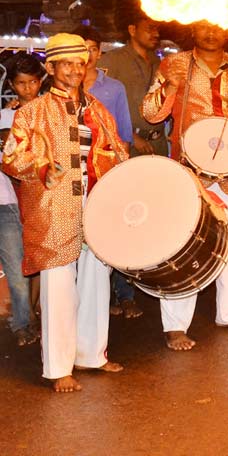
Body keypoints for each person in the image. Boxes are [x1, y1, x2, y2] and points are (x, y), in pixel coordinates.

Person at [2, 34, 127, 391]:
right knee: (58, 287)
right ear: (51, 68)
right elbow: (11, 157)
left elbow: (117, 152)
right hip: (53, 207)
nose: (75, 69)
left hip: (95, 203)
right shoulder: (31, 113)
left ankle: (91, 354)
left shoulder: (98, 111)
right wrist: (43, 167)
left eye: (80, 62)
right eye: (67, 63)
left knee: (96, 280)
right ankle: (58, 368)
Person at [142, 21, 228, 351]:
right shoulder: (174, 63)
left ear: (227, 32)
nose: (211, 33)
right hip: (189, 170)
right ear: (195, 31)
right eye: (205, 27)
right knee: (184, 245)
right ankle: (175, 326)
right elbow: (150, 113)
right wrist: (169, 88)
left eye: (218, 27)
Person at [73, 25, 143, 319]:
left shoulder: (113, 88)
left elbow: (123, 134)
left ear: (99, 52)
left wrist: (119, 171)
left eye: (91, 48)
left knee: (111, 233)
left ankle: (124, 295)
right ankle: (80, 302)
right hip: (73, 175)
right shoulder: (66, 87)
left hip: (106, 171)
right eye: (81, 49)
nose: (86, 55)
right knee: (78, 237)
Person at [0, 53, 44, 346]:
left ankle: (24, 322)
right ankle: (24, 320)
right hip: (10, 197)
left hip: (19, 199)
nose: (26, 89)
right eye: (20, 83)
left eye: (31, 83)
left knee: (22, 266)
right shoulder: (6, 114)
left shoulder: (46, 111)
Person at [99, 7, 167, 157]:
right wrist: (129, 135)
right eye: (150, 29)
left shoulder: (159, 62)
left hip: (158, 144)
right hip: (127, 143)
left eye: (157, 29)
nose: (156, 34)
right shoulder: (112, 60)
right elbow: (98, 105)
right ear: (132, 30)